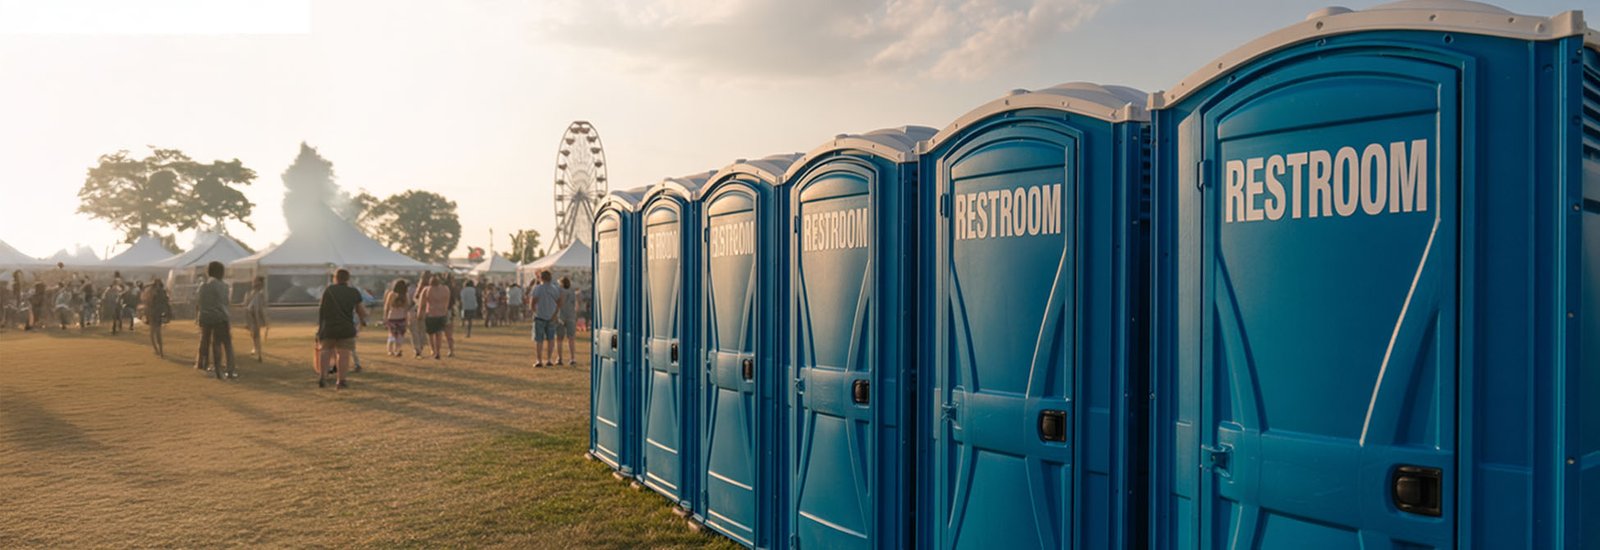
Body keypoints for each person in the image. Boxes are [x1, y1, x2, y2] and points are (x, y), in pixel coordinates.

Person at [316, 268, 368, 390]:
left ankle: (323, 377)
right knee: (344, 353)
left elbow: (322, 310)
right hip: (346, 327)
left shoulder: (329, 291)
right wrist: (363, 321)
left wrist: (320, 328)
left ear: (335, 278)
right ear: (348, 279)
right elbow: (360, 311)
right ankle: (341, 380)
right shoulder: (353, 292)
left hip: (328, 327)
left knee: (325, 351)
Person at [194, 261, 236, 380]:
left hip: (205, 317)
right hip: (220, 317)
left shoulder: (203, 286)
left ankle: (204, 364)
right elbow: (225, 302)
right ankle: (228, 370)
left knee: (205, 341)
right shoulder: (223, 286)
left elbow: (199, 302)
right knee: (224, 344)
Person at [529, 270, 564, 367]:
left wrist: (534, 311)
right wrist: (555, 314)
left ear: (541, 278)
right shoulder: (554, 288)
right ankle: (549, 359)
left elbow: (532, 302)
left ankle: (539, 360)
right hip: (551, 316)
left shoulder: (537, 288)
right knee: (551, 339)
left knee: (539, 340)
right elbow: (560, 302)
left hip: (539, 316)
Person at [418, 273, 451, 360]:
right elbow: (447, 301)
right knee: (439, 334)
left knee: (430, 334)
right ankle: (438, 351)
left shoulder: (427, 290)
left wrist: (419, 314)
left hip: (431, 314)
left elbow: (422, 304)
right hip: (442, 314)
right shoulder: (445, 289)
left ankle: (433, 350)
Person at [242, 276, 269, 362]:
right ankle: (255, 348)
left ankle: (259, 354)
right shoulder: (250, 293)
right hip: (251, 316)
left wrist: (265, 319)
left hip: (256, 317)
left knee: (256, 335)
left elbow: (262, 307)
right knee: (253, 334)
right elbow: (246, 305)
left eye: (256, 282)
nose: (255, 283)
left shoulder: (260, 294)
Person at [143, 279, 171, 357]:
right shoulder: (162, 292)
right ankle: (160, 351)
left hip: (153, 314)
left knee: (153, 333)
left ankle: (157, 350)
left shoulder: (151, 291)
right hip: (158, 314)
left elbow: (147, 302)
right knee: (158, 333)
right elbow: (166, 302)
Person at [384, 278, 411, 357]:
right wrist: (407, 319)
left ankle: (390, 350)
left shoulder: (391, 294)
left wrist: (385, 317)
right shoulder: (405, 296)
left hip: (392, 317)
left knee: (392, 335)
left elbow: (387, 306)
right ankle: (397, 349)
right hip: (401, 317)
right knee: (400, 336)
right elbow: (406, 308)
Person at [558, 276, 579, 365]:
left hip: (560, 316)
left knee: (559, 339)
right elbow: (576, 305)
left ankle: (560, 358)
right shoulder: (572, 292)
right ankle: (572, 358)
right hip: (571, 316)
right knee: (571, 339)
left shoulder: (559, 291)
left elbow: (558, 303)